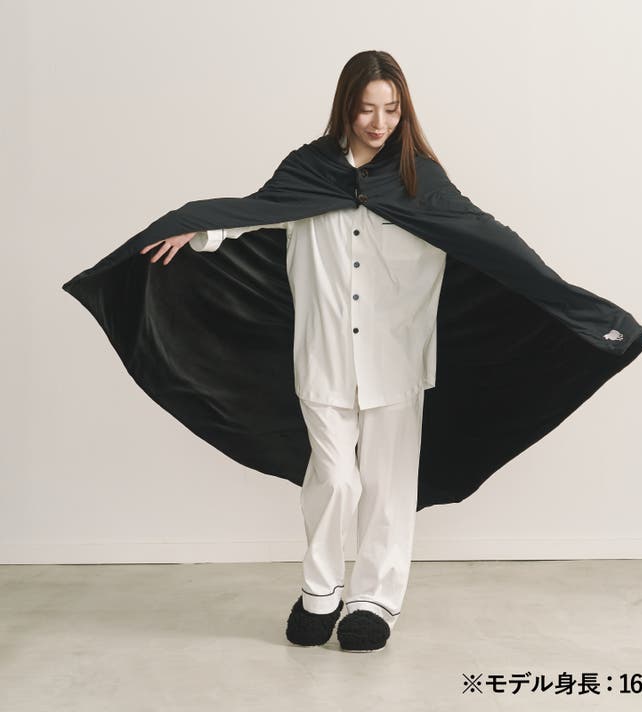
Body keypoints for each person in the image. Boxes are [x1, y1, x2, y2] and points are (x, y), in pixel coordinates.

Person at [137, 52, 444, 653]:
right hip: (324, 353)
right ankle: (320, 591)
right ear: (346, 107)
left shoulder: (420, 178)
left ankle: (374, 602)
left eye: (391, 110)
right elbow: (259, 210)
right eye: (366, 109)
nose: (379, 123)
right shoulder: (310, 168)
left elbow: (479, 235)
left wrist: (560, 301)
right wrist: (200, 226)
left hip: (397, 355)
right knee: (335, 479)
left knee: (387, 488)